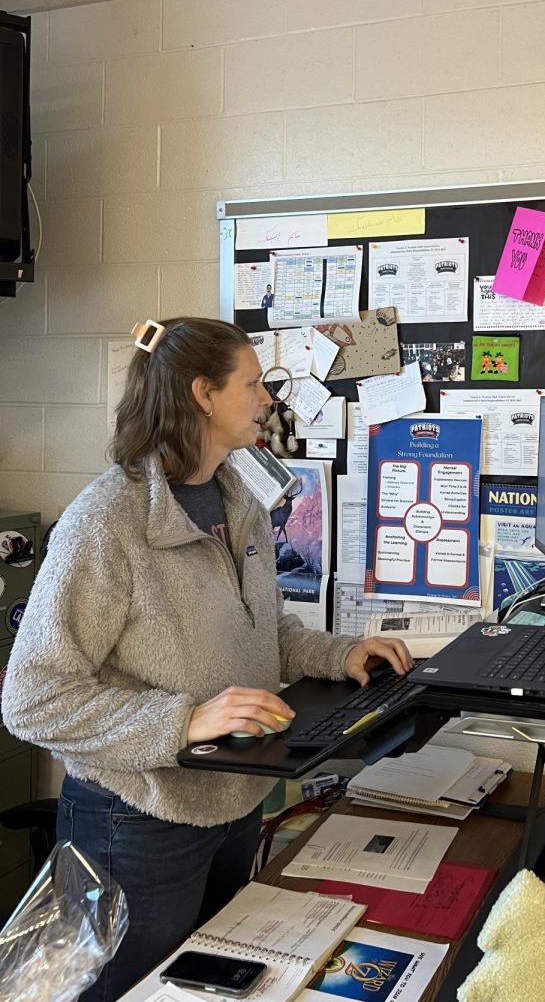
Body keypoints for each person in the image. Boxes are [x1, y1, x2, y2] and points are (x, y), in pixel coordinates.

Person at [2, 316, 412, 1002]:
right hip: (137, 820)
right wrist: (183, 721)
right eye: (252, 384)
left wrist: (343, 653)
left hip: (232, 803)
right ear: (202, 394)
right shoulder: (107, 523)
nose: (266, 399)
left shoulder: (238, 497)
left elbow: (263, 633)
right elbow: (32, 697)